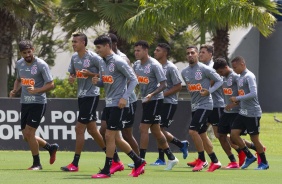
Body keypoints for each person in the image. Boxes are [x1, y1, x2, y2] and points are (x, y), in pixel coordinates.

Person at [91, 35, 145, 178]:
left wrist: (124, 98)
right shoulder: (102, 63)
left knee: (109, 135)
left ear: (108, 46)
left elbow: (134, 80)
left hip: (118, 104)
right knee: (116, 138)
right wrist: (98, 82)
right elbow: (106, 82)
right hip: (109, 104)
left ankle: (107, 169)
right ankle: (138, 160)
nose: (97, 50)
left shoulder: (119, 61)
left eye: (99, 47)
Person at [9, 40, 59, 170]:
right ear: (21, 53)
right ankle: (50, 147)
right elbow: (19, 80)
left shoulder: (41, 65)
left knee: (30, 133)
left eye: (29, 51)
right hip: (25, 102)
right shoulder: (19, 64)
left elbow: (51, 84)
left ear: (33, 49)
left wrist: (37, 90)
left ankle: (37, 163)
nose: (27, 55)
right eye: (24, 53)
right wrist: (15, 89)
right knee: (26, 136)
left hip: (38, 103)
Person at [61, 32, 106, 172]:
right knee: (92, 130)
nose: (73, 44)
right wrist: (72, 77)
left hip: (91, 95)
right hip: (81, 96)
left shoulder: (94, 57)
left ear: (83, 43)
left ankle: (75, 163)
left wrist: (91, 75)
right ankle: (114, 158)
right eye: (72, 41)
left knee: (79, 128)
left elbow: (105, 73)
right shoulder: (74, 57)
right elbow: (73, 72)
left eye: (76, 42)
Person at [133, 40, 179, 170]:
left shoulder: (154, 65)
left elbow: (164, 84)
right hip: (146, 100)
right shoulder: (136, 65)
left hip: (155, 100)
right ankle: (171, 157)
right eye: (135, 50)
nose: (136, 53)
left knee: (143, 128)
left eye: (139, 50)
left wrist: (152, 94)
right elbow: (135, 80)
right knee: (156, 131)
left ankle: (140, 160)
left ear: (146, 51)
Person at [181, 46, 222, 172]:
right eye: (188, 53)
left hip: (205, 105)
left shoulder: (205, 69)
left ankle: (202, 160)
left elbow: (219, 81)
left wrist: (209, 91)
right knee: (202, 134)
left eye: (192, 53)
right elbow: (191, 88)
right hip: (195, 106)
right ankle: (215, 161)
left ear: (197, 54)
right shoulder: (184, 72)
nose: (190, 55)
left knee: (193, 131)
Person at [150, 43, 189, 166]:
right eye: (155, 50)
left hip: (169, 103)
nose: (155, 52)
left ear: (165, 53)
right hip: (159, 102)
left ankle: (162, 158)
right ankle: (179, 145)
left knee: (159, 129)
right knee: (157, 129)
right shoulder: (154, 66)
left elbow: (178, 86)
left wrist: (162, 95)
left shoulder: (171, 67)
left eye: (158, 50)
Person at [230, 56, 268, 170]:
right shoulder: (240, 77)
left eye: (235, 67)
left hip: (253, 113)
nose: (234, 70)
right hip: (243, 112)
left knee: (254, 139)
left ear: (242, 64)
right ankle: (250, 156)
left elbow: (253, 94)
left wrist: (237, 98)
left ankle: (264, 163)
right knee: (233, 134)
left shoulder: (249, 76)